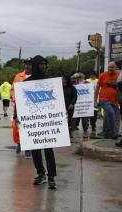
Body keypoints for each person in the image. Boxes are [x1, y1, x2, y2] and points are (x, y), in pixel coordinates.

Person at [24, 55, 57, 190]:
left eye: (45, 64)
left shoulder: (51, 81)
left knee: (49, 150)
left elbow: (57, 101)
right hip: (33, 122)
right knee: (35, 151)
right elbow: (21, 102)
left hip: (47, 123)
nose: (43, 66)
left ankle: (51, 177)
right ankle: (41, 173)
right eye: (41, 64)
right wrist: (16, 116)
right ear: (36, 65)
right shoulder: (27, 82)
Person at [11, 57, 33, 158]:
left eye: (30, 64)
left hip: (32, 107)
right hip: (19, 106)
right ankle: (20, 143)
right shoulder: (18, 76)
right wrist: (16, 99)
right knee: (17, 127)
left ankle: (28, 148)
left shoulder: (36, 76)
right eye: (26, 64)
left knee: (29, 127)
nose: (28, 66)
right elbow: (13, 90)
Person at [94, 62, 120, 139]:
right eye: (109, 67)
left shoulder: (119, 75)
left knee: (114, 117)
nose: (110, 69)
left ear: (116, 68)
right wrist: (95, 101)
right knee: (111, 113)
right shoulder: (102, 75)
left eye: (112, 67)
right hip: (104, 99)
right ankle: (112, 133)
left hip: (115, 100)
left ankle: (108, 132)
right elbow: (97, 89)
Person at [71, 73, 90, 139]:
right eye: (78, 75)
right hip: (76, 104)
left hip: (84, 105)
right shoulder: (74, 83)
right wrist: (74, 77)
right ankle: (72, 132)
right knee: (73, 120)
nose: (79, 76)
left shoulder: (87, 83)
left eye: (81, 75)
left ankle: (85, 131)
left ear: (84, 75)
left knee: (85, 120)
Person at [62, 74, 77, 139]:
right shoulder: (59, 87)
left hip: (69, 107)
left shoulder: (72, 88)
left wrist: (72, 104)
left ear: (66, 80)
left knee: (69, 121)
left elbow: (75, 97)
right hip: (61, 107)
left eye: (63, 79)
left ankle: (70, 134)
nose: (62, 80)